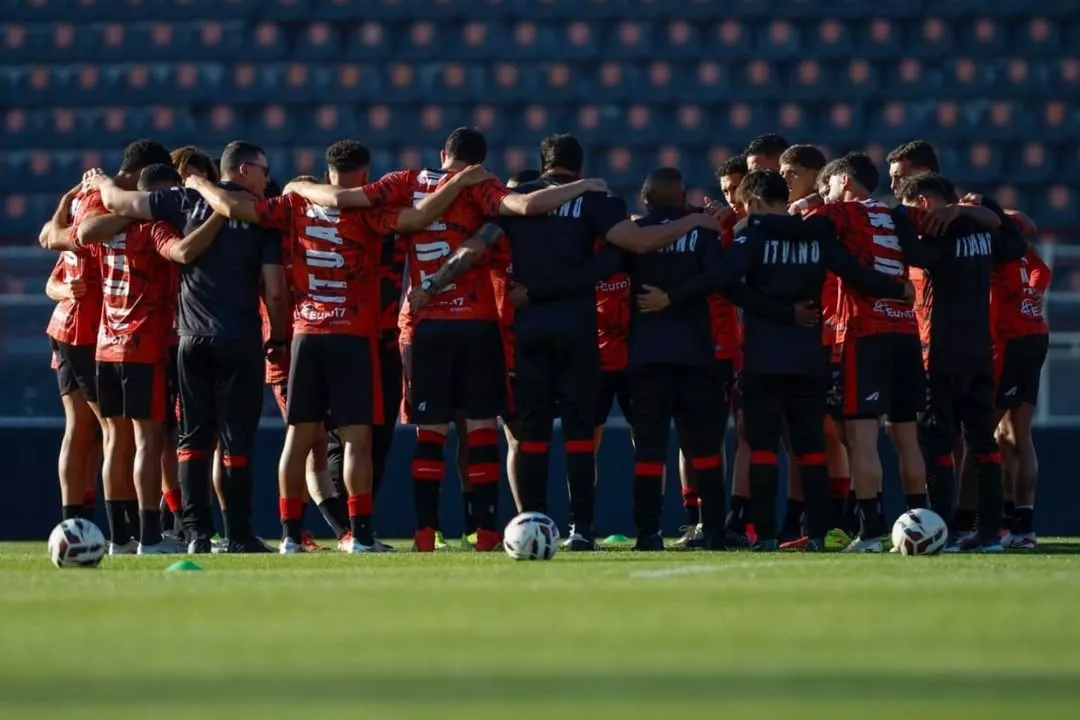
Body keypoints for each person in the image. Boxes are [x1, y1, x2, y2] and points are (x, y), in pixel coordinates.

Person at [290, 127, 609, 551]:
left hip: (426, 325)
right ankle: (487, 532)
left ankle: (425, 533)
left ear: (443, 153)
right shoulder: (483, 186)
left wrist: (299, 186)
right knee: (479, 428)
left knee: (430, 430)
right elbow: (527, 204)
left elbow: (342, 199)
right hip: (477, 323)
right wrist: (582, 186)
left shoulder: (406, 181)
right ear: (479, 160)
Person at [187, 148, 494, 553]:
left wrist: (198, 183)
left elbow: (230, 206)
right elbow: (421, 218)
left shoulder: (293, 204)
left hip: (305, 335)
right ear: (364, 173)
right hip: (352, 335)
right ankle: (360, 535)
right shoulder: (368, 213)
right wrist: (461, 181)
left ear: (328, 170)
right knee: (356, 439)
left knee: (297, 438)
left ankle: (289, 536)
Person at [663, 169, 912, 551]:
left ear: (757, 202)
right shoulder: (818, 234)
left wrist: (672, 297)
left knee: (762, 449)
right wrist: (897, 288)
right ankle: (814, 534)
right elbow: (854, 272)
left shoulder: (754, 235)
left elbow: (722, 280)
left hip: (764, 358)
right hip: (808, 358)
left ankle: (764, 535)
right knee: (810, 449)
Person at [90, 140, 288, 554]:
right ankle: (238, 534)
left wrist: (101, 183)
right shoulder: (261, 215)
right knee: (236, 441)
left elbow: (122, 205)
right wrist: (279, 338)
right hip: (238, 337)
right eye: (263, 170)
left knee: (191, 440)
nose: (268, 179)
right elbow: (274, 289)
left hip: (191, 339)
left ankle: (195, 534)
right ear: (245, 170)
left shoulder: (183, 200)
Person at [756, 153, 927, 552]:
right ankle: (926, 520)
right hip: (905, 331)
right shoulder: (895, 214)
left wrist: (798, 208)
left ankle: (871, 532)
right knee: (907, 438)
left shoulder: (843, 213)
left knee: (861, 438)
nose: (823, 194)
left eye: (826, 187)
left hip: (866, 333)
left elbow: (801, 231)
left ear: (844, 182)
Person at [61, 164, 224, 554]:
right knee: (148, 440)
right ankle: (151, 537)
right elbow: (182, 252)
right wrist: (223, 213)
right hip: (144, 344)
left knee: (116, 439)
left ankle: (119, 537)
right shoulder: (153, 229)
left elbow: (78, 234)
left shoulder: (107, 229)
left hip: (106, 344)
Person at [40, 139, 174, 551]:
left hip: (78, 330)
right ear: (140, 176)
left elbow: (52, 240)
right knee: (119, 433)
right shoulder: (124, 208)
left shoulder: (86, 197)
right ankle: (133, 532)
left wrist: (67, 201)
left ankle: (81, 528)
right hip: (96, 331)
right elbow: (69, 240)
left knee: (88, 432)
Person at [897, 173, 1027, 552]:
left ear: (924, 203)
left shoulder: (942, 233)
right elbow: (1016, 245)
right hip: (978, 352)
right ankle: (989, 533)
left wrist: (903, 222)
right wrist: (985, 207)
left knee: (937, 441)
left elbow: (918, 256)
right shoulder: (980, 231)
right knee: (981, 442)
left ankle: (943, 527)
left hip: (941, 351)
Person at [778, 145, 851, 548]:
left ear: (815, 174)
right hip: (803, 334)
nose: (785, 180)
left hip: (828, 332)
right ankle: (805, 518)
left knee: (829, 431)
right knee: (799, 433)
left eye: (792, 173)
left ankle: (836, 517)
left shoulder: (826, 216)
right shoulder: (794, 216)